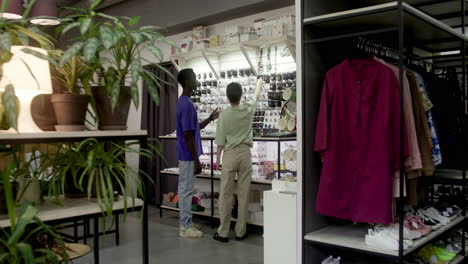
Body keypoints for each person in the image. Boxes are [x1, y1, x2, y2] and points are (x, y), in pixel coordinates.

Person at [213, 77, 263, 242]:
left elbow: (220, 140)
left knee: (225, 194)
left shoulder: (224, 115)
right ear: (241, 95)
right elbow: (256, 96)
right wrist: (259, 82)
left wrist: (217, 159)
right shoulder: (247, 109)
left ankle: (223, 232)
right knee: (243, 194)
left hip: (229, 154)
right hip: (245, 154)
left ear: (227, 97)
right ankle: (241, 231)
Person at [176, 68, 219, 238]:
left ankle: (187, 223)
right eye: (194, 78)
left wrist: (210, 118)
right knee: (186, 190)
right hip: (187, 154)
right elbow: (187, 135)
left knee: (186, 188)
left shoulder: (185, 102)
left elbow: (194, 129)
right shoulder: (186, 104)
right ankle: (185, 227)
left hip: (187, 154)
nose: (196, 81)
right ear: (187, 82)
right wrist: (197, 160)